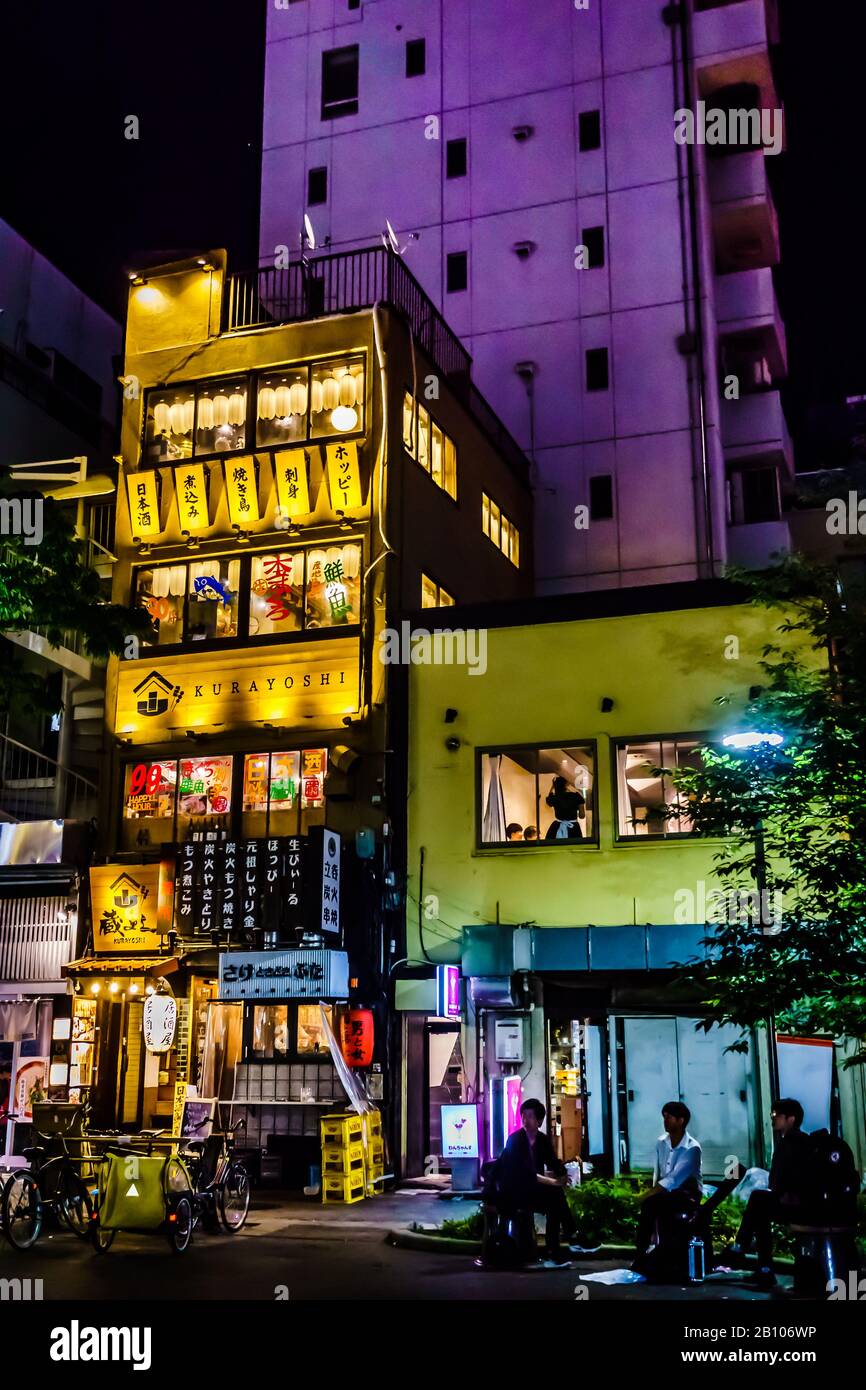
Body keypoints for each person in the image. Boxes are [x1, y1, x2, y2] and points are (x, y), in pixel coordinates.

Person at [725, 1098, 813, 1289]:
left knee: (758, 1199)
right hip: (793, 1200)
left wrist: (783, 1192)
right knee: (760, 1210)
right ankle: (763, 1269)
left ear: (791, 1118)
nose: (773, 1119)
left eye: (777, 1115)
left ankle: (743, 1247)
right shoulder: (790, 1141)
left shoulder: (794, 1141)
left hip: (797, 1203)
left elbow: (790, 1176)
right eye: (772, 1115)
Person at [498, 1098, 581, 1266]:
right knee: (555, 1194)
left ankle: (557, 1250)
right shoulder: (515, 1140)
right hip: (514, 1193)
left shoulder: (542, 1139)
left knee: (555, 1201)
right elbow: (524, 1174)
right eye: (524, 1116)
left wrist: (564, 1174)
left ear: (539, 1121)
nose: (525, 1120)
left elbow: (552, 1161)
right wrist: (554, 1183)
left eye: (530, 1116)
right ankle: (568, 1241)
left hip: (531, 1191)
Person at [633, 1101, 702, 1269]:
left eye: (669, 1118)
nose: (665, 1121)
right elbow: (659, 1174)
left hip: (687, 1194)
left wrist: (645, 1196)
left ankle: (649, 1253)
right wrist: (653, 1191)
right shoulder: (661, 1142)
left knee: (651, 1203)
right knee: (652, 1205)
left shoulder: (692, 1148)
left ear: (681, 1120)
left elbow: (674, 1179)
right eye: (664, 1117)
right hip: (667, 1193)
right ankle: (643, 1252)